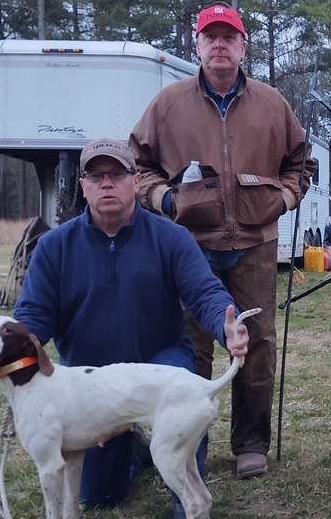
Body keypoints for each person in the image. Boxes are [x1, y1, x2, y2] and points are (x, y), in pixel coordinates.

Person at [13, 138, 249, 516]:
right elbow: (33, 317)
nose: (107, 183)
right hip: (89, 379)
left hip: (159, 360)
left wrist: (229, 326)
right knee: (100, 495)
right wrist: (10, 352)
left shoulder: (171, 237)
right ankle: (135, 449)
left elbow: (205, 292)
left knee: (182, 387)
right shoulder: (53, 247)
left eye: (117, 174)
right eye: (96, 175)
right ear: (83, 185)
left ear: (135, 182)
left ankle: (183, 499)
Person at [130, 2, 314, 479]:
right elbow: (137, 165)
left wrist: (287, 198)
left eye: (227, 36)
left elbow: (300, 161)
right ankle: (189, 445)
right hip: (190, 246)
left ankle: (250, 444)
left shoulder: (273, 104)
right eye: (209, 36)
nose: (218, 44)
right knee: (191, 347)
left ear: (242, 45)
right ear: (196, 44)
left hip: (255, 244)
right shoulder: (168, 104)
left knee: (256, 345)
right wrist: (165, 200)